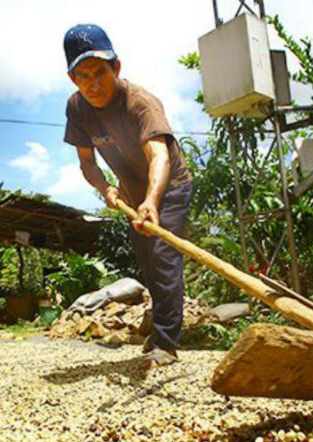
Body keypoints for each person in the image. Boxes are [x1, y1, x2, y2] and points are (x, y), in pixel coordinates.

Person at [62, 23, 193, 366]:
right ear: (73, 79)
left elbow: (159, 156)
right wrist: (105, 188)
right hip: (133, 197)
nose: (93, 83)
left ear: (116, 68)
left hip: (170, 188)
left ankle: (166, 342)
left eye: (100, 72)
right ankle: (160, 325)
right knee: (147, 263)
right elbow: (86, 162)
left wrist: (152, 201)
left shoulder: (140, 103)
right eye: (83, 75)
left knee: (165, 260)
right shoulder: (76, 108)